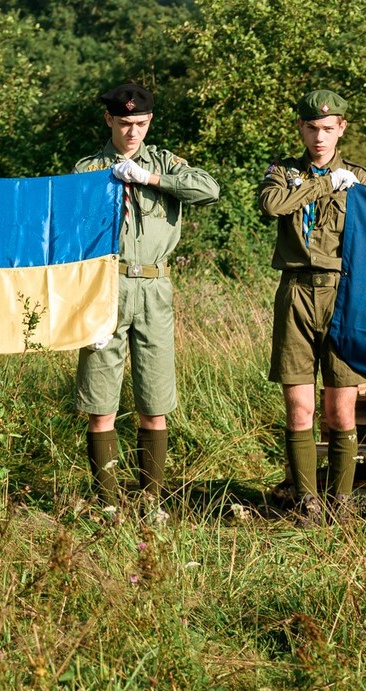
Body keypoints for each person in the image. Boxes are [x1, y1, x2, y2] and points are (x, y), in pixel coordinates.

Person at [75, 82, 219, 514]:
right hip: (105, 286)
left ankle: (151, 500)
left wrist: (151, 178)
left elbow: (209, 190)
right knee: (100, 402)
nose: (132, 132)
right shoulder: (88, 168)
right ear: (109, 121)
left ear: (150, 122)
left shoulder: (166, 163)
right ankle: (107, 503)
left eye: (140, 124)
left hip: (155, 287)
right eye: (124, 123)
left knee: (154, 401)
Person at [258, 89, 366, 524]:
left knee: (340, 408)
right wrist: (324, 182)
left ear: (341, 127)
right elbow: (273, 206)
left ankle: (340, 502)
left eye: (328, 129)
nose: (319, 137)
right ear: (301, 129)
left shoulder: (361, 178)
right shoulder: (282, 173)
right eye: (311, 128)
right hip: (296, 291)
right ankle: (307, 501)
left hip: (343, 294)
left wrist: (355, 188)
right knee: (299, 406)